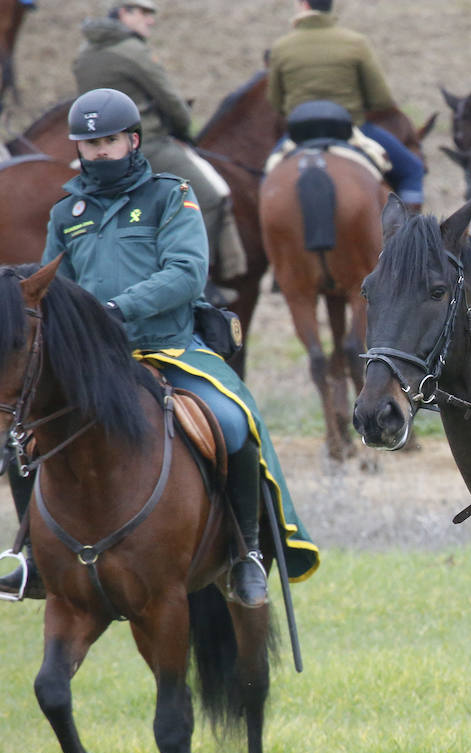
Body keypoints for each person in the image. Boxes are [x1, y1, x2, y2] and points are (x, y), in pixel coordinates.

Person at [2, 88, 316, 604]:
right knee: (24, 437)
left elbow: (187, 274)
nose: (99, 151)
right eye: (89, 143)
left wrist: (115, 310)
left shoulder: (171, 196)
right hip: (94, 361)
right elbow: (54, 284)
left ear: (132, 140)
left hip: (169, 346)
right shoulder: (67, 211)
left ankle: (247, 555)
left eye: (109, 140)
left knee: (234, 422)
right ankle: (33, 559)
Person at [73, 0, 246, 307]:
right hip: (146, 142)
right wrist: (185, 130)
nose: (150, 20)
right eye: (144, 12)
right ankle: (200, 279)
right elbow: (170, 99)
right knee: (212, 195)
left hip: (93, 147)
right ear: (123, 12)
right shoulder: (133, 51)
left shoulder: (83, 55)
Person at [267, 0, 424, 212]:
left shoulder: (281, 48)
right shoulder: (356, 43)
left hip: (299, 134)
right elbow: (382, 99)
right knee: (413, 170)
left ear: (303, 5)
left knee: (267, 180)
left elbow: (275, 101)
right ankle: (410, 239)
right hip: (351, 130)